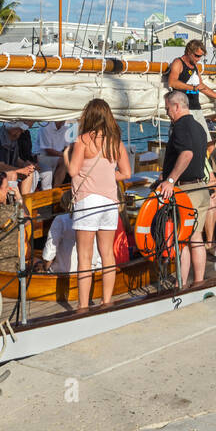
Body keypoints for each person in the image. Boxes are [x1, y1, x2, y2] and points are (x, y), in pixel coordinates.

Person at [68, 99, 132, 310]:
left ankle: (83, 305)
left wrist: (65, 157)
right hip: (109, 202)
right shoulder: (116, 142)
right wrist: (106, 174)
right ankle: (107, 301)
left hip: (87, 201)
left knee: (84, 256)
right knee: (107, 254)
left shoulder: (83, 141)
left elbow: (73, 171)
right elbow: (126, 173)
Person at [157, 90, 213, 287]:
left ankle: (180, 283)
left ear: (177, 106)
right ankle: (198, 281)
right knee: (196, 238)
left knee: (182, 239)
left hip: (186, 192)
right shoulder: (198, 127)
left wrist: (170, 180)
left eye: (167, 109)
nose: (167, 114)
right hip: (200, 188)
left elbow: (187, 154)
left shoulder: (180, 126)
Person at [164, 39, 216, 138]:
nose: (198, 59)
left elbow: (201, 86)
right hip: (183, 110)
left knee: (206, 140)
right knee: (188, 141)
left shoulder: (195, 66)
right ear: (189, 52)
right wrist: (193, 88)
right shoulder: (178, 63)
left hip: (196, 107)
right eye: (197, 56)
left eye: (200, 56)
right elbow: (172, 82)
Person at [39, 191, 102, 276]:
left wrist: (45, 268)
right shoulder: (96, 217)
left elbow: (49, 251)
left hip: (64, 272)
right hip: (93, 271)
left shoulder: (61, 219)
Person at [33, 119, 75, 190]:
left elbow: (66, 146)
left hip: (56, 156)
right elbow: (48, 150)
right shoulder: (45, 127)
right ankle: (55, 189)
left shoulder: (64, 127)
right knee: (64, 161)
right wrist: (65, 155)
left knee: (72, 156)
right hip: (41, 156)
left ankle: (59, 189)